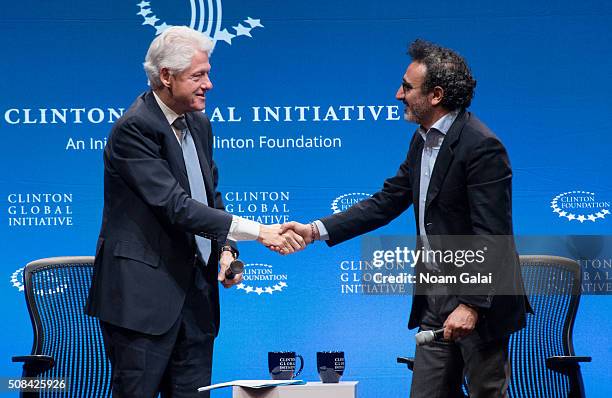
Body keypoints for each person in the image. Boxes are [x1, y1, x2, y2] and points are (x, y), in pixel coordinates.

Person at [281, 39, 530, 397]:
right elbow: (386, 202)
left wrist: (471, 304)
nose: (398, 94)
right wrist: (314, 230)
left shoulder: (481, 146)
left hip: (481, 299)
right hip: (434, 295)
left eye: (407, 87)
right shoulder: (422, 140)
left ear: (436, 95)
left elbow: (493, 236)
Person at [85, 26, 304, 398]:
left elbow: (208, 200)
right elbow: (176, 207)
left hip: (196, 299)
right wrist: (259, 230)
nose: (209, 84)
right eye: (198, 75)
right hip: (143, 302)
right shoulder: (134, 128)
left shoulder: (199, 124)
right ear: (166, 77)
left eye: (208, 72)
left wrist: (226, 250)